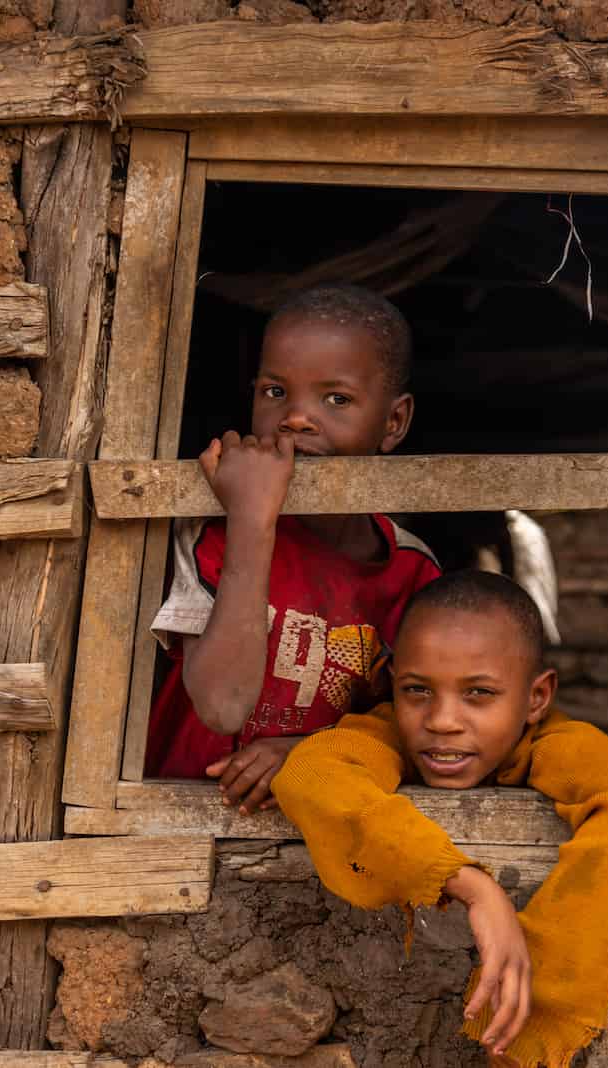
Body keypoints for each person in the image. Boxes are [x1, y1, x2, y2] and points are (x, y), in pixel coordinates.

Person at [272, 571, 608, 1068]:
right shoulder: (386, 733)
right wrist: (468, 884)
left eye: (479, 694)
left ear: (537, 698)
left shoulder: (557, 743)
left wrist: (537, 995)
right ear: (390, 684)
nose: (442, 720)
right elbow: (311, 773)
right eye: (417, 690)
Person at [144, 284, 442, 812]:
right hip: (180, 815)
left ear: (394, 422)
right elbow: (222, 706)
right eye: (275, 392)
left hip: (322, 827)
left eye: (337, 399)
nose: (297, 418)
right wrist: (252, 520)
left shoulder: (413, 572)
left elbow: (415, 727)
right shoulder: (209, 535)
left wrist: (311, 752)